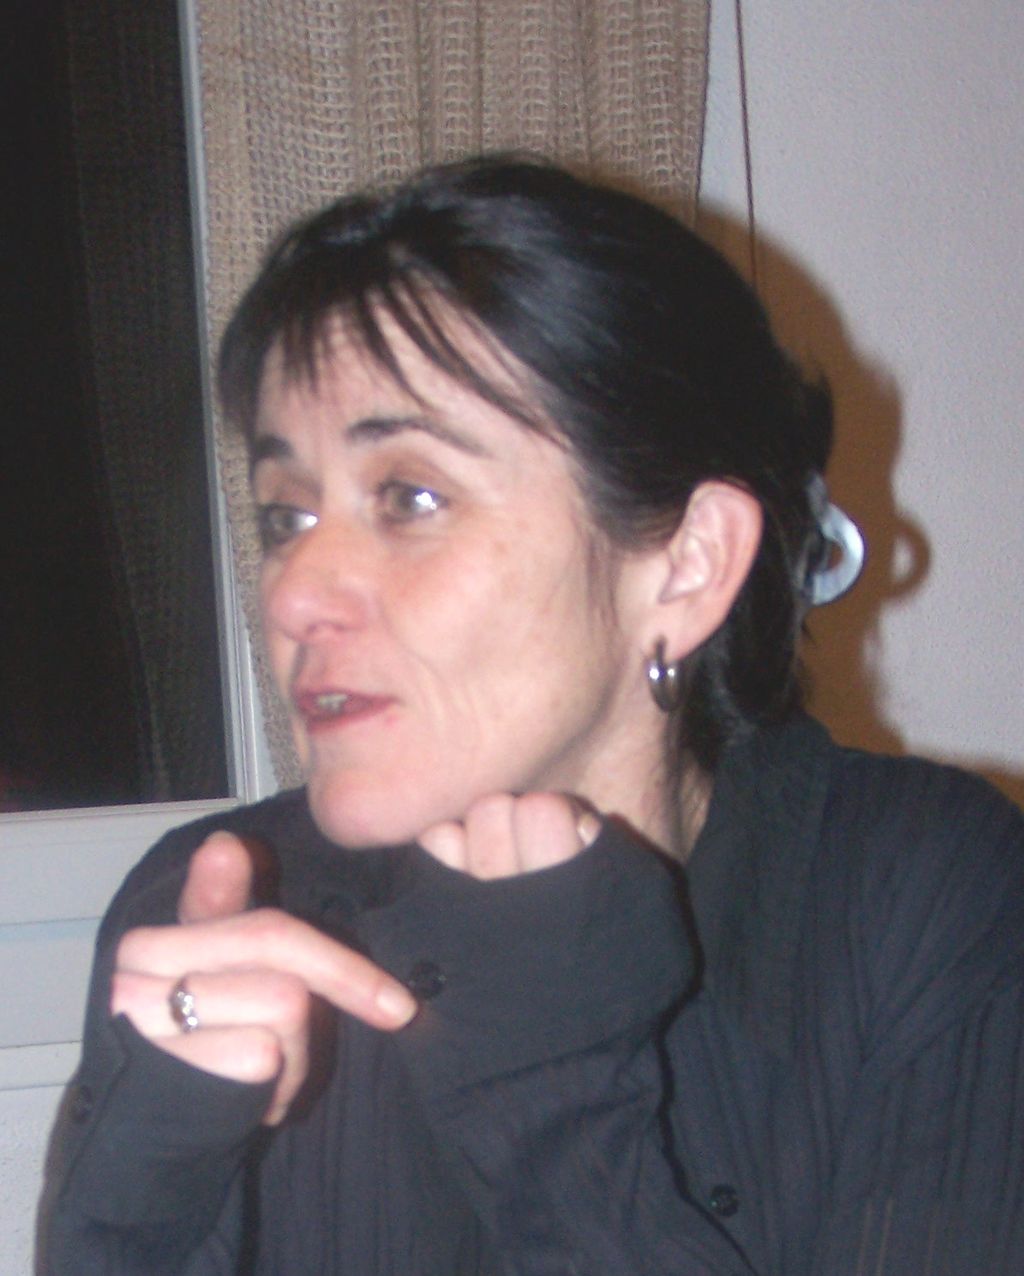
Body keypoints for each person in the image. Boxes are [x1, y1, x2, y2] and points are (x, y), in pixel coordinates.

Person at [40, 155, 1024, 1275]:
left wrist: (548, 1088)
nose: (295, 592)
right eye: (285, 517)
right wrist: (143, 1186)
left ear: (688, 565)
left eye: (411, 497)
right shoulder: (219, 907)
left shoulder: (916, 893)